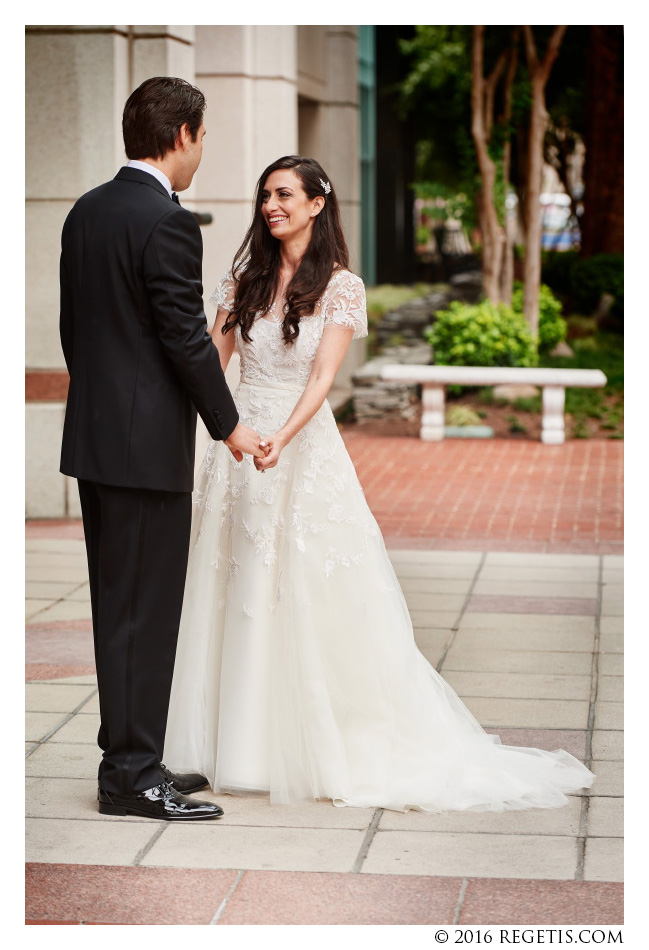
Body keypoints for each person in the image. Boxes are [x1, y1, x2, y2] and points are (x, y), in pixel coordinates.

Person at [163, 155, 594, 812]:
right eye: (264, 196)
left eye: (283, 194)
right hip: (238, 446)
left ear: (316, 203)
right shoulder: (242, 280)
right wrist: (220, 427)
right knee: (236, 581)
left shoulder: (340, 287)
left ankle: (310, 737)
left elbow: (321, 380)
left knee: (302, 586)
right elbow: (208, 360)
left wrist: (283, 433)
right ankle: (231, 743)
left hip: (300, 447)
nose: (270, 205)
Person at [59, 76, 267, 821]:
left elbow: (74, 331)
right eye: (204, 137)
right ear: (181, 135)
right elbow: (184, 338)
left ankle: (128, 761)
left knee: (121, 607)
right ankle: (134, 776)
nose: (202, 151)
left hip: (95, 440)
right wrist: (228, 422)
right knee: (146, 611)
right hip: (145, 450)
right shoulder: (167, 221)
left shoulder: (86, 212)